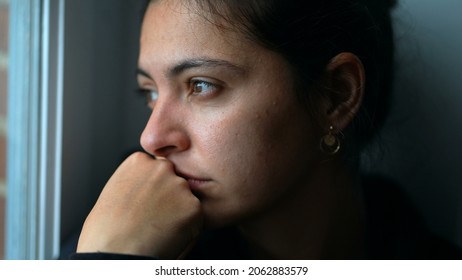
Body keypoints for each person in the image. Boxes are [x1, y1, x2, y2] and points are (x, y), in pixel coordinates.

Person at [69, 0, 462, 259]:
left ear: (335, 96)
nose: (151, 139)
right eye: (150, 92)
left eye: (201, 85)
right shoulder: (121, 237)